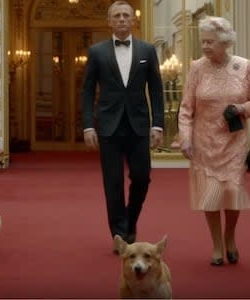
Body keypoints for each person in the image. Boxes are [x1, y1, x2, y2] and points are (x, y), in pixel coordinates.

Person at [178, 16, 250, 266]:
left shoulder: (244, 66)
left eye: (210, 42)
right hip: (205, 141)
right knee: (212, 194)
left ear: (225, 43)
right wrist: (185, 138)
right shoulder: (196, 68)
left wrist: (241, 108)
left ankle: (230, 236)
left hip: (234, 141)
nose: (205, 46)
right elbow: (185, 108)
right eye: (203, 41)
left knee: (232, 191)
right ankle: (216, 244)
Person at [81, 1, 164, 253]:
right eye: (116, 16)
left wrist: (158, 125)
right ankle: (120, 234)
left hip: (139, 125)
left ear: (133, 20)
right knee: (113, 182)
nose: (121, 19)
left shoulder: (147, 50)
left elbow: (157, 90)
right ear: (109, 21)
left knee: (142, 177)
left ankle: (130, 220)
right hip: (108, 126)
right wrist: (87, 126)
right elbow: (86, 91)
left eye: (125, 15)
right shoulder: (97, 52)